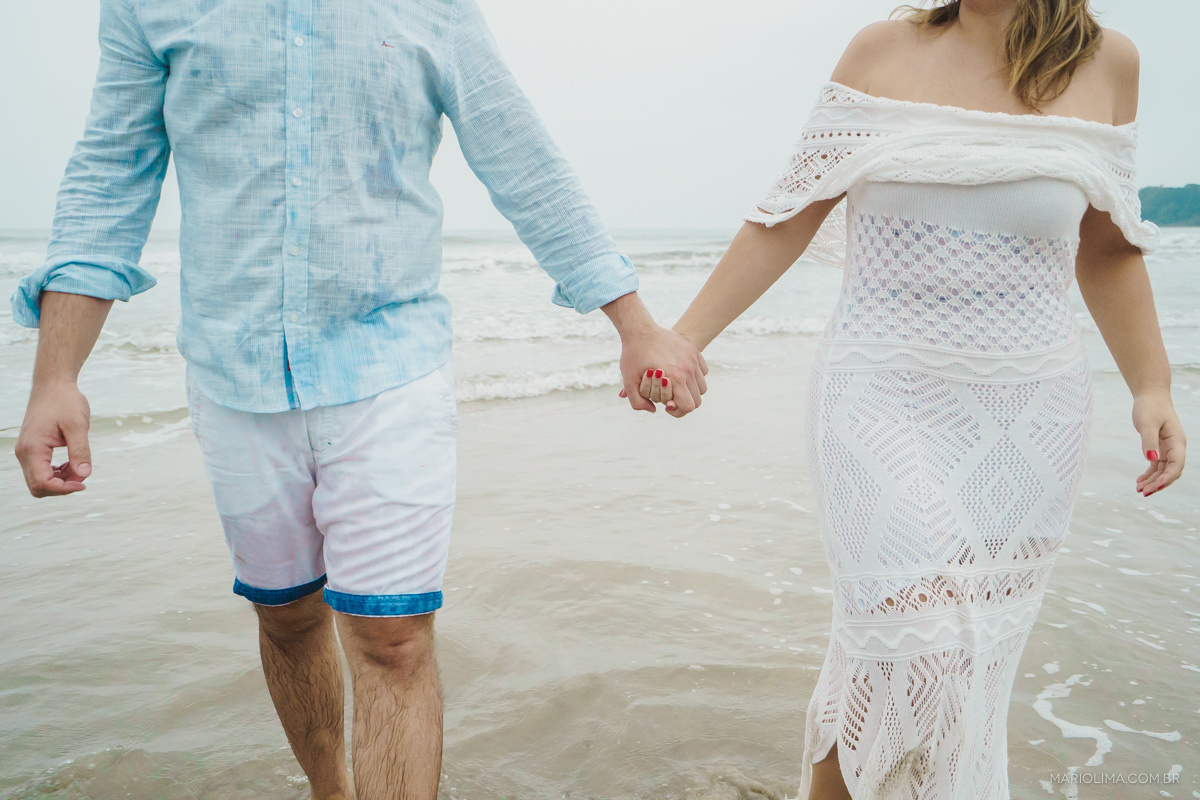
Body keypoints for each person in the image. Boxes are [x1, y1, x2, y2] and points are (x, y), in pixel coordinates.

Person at [10, 1, 707, 798]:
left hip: (391, 366)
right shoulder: (149, 8)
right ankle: (329, 788)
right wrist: (56, 376)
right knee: (288, 617)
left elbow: (518, 156)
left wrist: (634, 321)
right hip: (233, 375)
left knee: (393, 640)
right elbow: (109, 177)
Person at [634, 1, 1187, 797]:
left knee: (941, 663)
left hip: (1028, 420)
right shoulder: (881, 51)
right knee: (911, 646)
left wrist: (1152, 384)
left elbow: (1107, 247)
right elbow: (788, 216)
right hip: (877, 397)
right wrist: (682, 342)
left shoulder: (1110, 65)